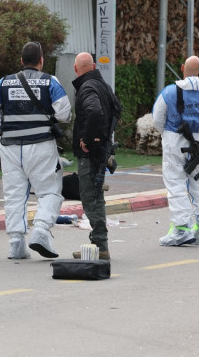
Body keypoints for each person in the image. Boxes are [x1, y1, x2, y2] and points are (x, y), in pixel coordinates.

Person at [0, 41, 71, 259]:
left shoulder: (3, 83)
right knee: (49, 190)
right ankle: (41, 230)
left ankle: (16, 244)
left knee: (14, 195)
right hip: (41, 146)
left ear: (21, 61)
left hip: (10, 148)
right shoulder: (50, 81)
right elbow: (64, 114)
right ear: (41, 60)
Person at [152, 55, 199, 246]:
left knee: (175, 182)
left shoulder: (170, 92)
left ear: (182, 68)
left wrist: (167, 135)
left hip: (175, 140)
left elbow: (157, 119)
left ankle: (181, 228)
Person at [70, 52, 122, 260]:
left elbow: (94, 111)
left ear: (76, 69)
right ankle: (98, 244)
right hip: (101, 150)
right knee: (96, 196)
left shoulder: (87, 87)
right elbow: (117, 109)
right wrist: (104, 139)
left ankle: (100, 245)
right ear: (92, 67)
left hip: (91, 154)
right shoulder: (103, 86)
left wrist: (88, 139)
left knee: (91, 198)